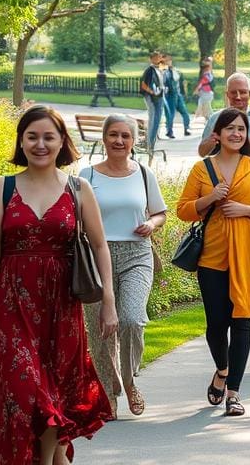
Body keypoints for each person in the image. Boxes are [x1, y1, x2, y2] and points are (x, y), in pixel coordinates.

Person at [0, 105, 117, 465]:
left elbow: (99, 245)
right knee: (26, 392)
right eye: (32, 136)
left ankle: (53, 460)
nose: (40, 144)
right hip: (13, 304)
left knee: (56, 394)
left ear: (62, 141)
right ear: (21, 140)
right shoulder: (3, 188)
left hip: (62, 305)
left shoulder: (79, 189)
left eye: (48, 136)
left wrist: (108, 300)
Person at [177, 109, 250, 417]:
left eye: (241, 129)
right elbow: (183, 210)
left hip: (248, 255)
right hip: (212, 256)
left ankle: (234, 392)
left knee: (242, 321)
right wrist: (211, 198)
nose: (236, 134)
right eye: (230, 129)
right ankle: (222, 369)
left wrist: (247, 209)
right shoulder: (201, 169)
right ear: (217, 134)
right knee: (216, 325)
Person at [80, 115, 167, 418]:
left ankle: (129, 382)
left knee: (131, 319)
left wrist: (151, 223)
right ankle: (108, 394)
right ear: (103, 139)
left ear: (134, 141)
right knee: (102, 330)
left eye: (125, 136)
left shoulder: (144, 174)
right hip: (95, 257)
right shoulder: (86, 176)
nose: (119, 141)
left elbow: (160, 213)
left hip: (136, 255)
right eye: (113, 135)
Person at [197, 73, 250, 157]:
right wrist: (212, 142)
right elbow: (202, 153)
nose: (238, 97)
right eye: (233, 92)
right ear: (227, 94)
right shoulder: (215, 118)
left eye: (242, 92)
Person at [140, 51, 167, 155]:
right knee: (153, 119)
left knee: (158, 119)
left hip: (159, 97)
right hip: (152, 98)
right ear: (151, 59)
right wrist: (152, 92)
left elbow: (165, 74)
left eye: (159, 57)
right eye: (156, 57)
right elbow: (143, 85)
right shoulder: (149, 70)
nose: (158, 59)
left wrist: (163, 62)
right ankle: (150, 144)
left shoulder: (159, 68)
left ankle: (153, 142)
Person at [163, 54, 192, 138]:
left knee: (185, 112)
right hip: (169, 95)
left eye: (169, 60)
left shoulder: (175, 70)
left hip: (178, 94)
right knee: (170, 114)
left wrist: (184, 92)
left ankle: (186, 128)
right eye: (166, 60)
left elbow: (179, 79)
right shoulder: (163, 70)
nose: (168, 61)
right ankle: (169, 131)